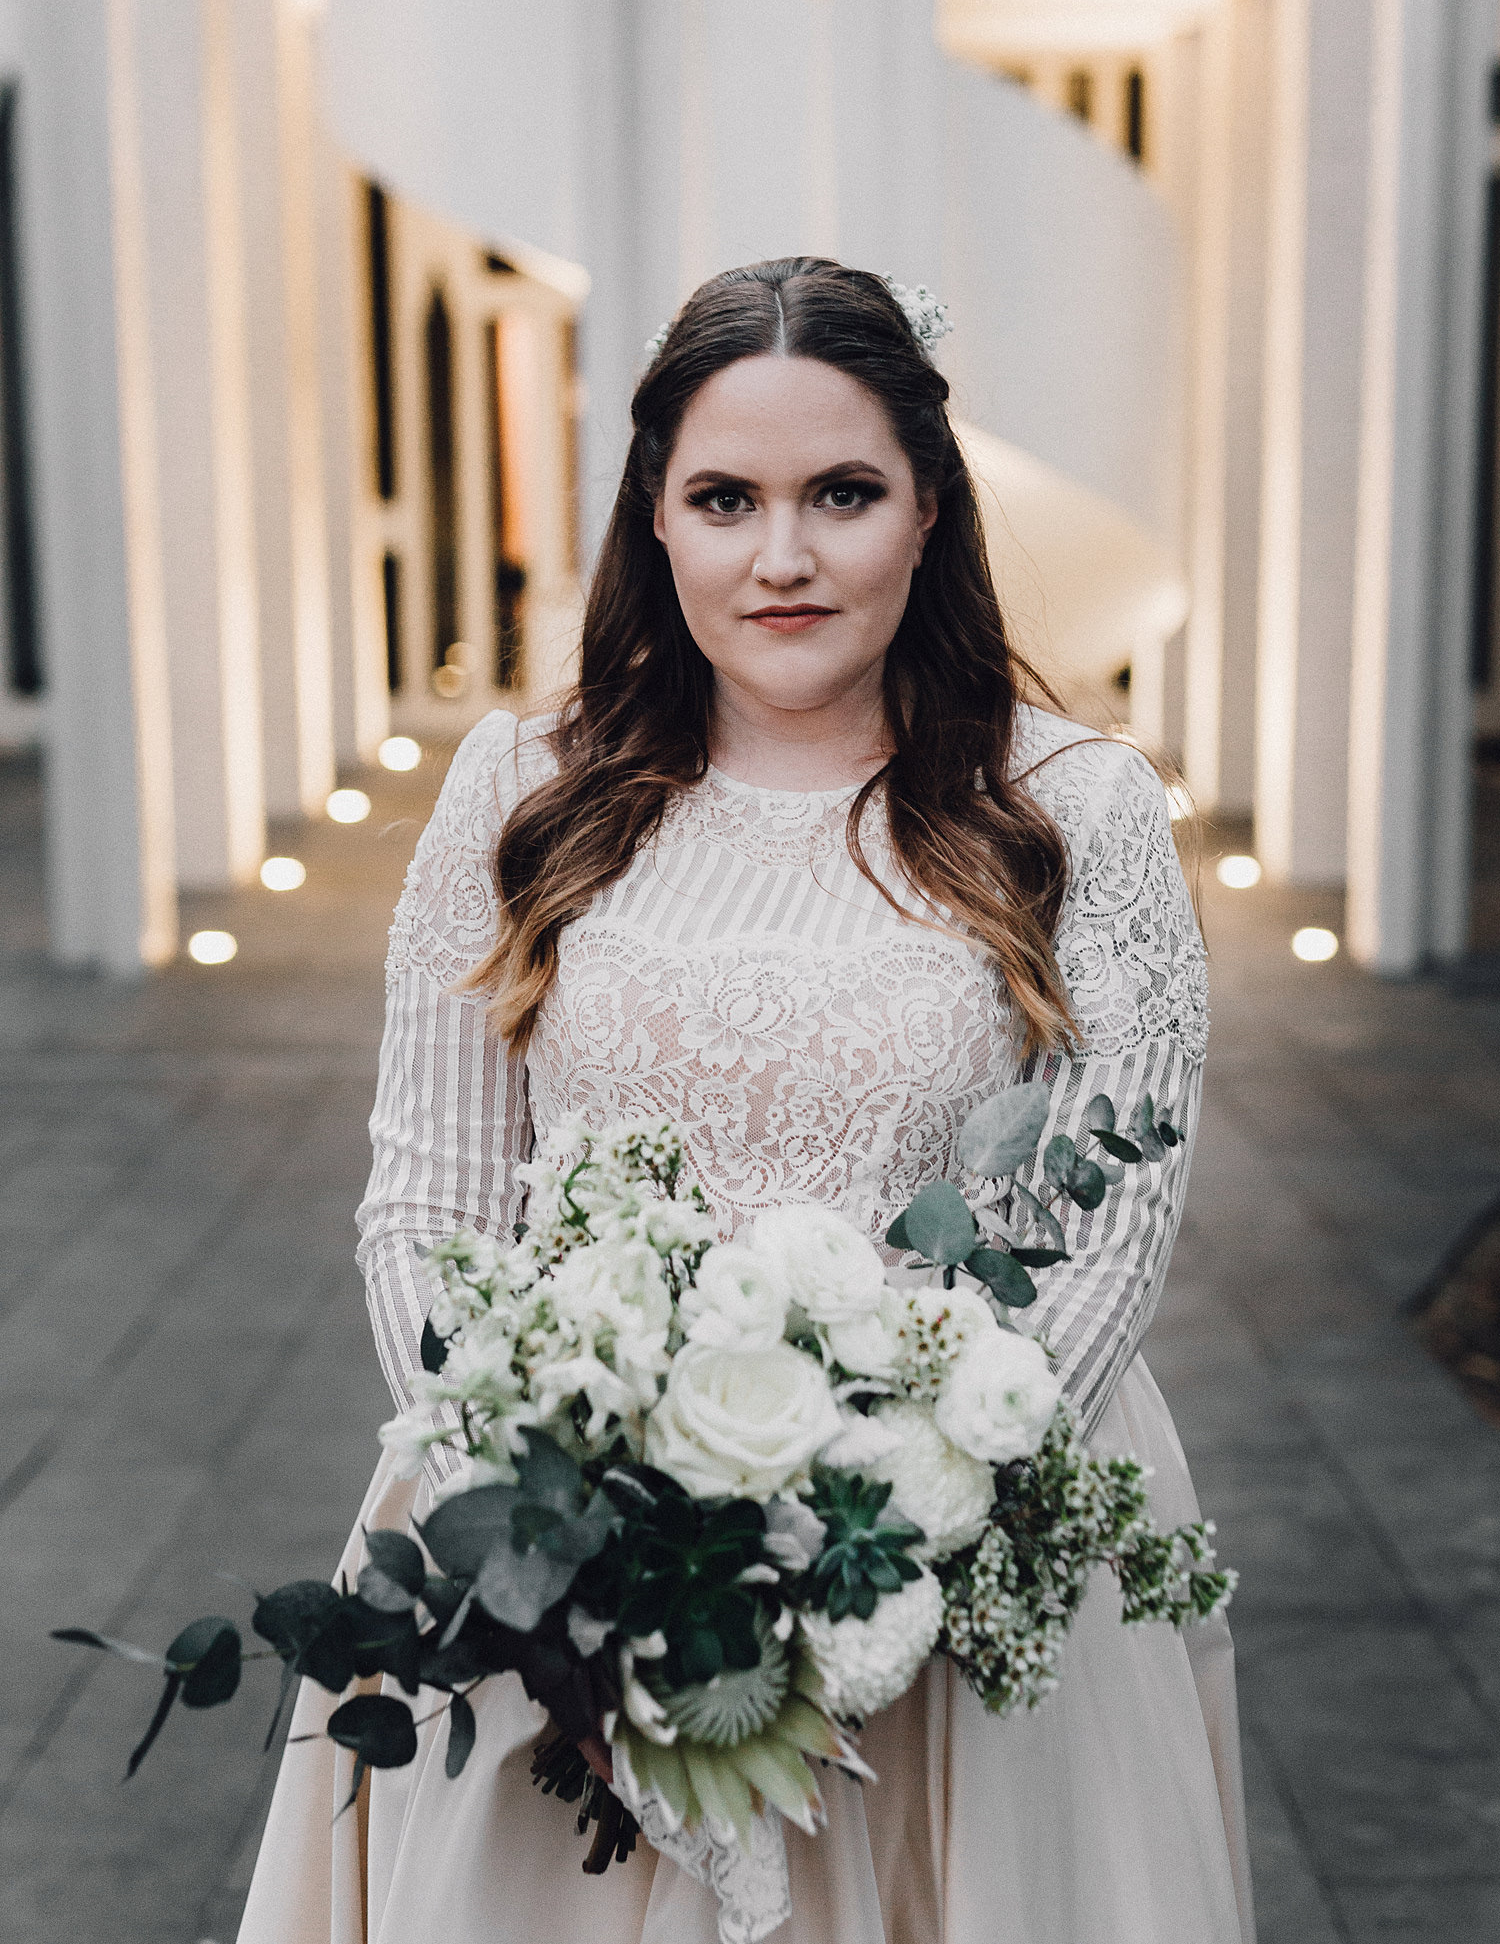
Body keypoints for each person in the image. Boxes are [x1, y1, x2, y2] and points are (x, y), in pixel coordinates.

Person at [238, 257, 1255, 1944]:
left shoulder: (1075, 811)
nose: (781, 555)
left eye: (840, 493)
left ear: (929, 506)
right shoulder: (522, 789)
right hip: (563, 1558)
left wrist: (878, 1538)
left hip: (963, 1548)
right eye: (725, 499)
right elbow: (426, 1197)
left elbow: (1110, 1225)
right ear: (658, 519)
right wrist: (558, 1524)